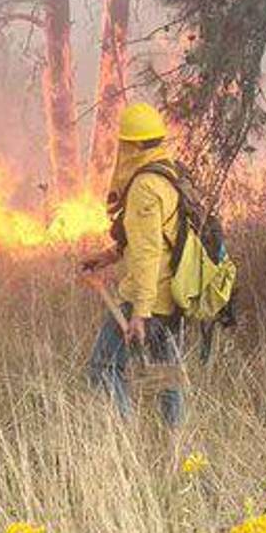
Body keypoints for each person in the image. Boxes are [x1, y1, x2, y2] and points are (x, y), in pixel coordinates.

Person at [81, 102, 185, 426]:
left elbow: (148, 251)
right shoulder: (168, 173)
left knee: (104, 367)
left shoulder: (143, 187)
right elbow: (159, 237)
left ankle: (124, 440)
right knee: (165, 374)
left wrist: (139, 312)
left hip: (148, 298)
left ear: (135, 145)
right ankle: (174, 441)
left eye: (125, 143)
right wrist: (110, 255)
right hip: (171, 294)